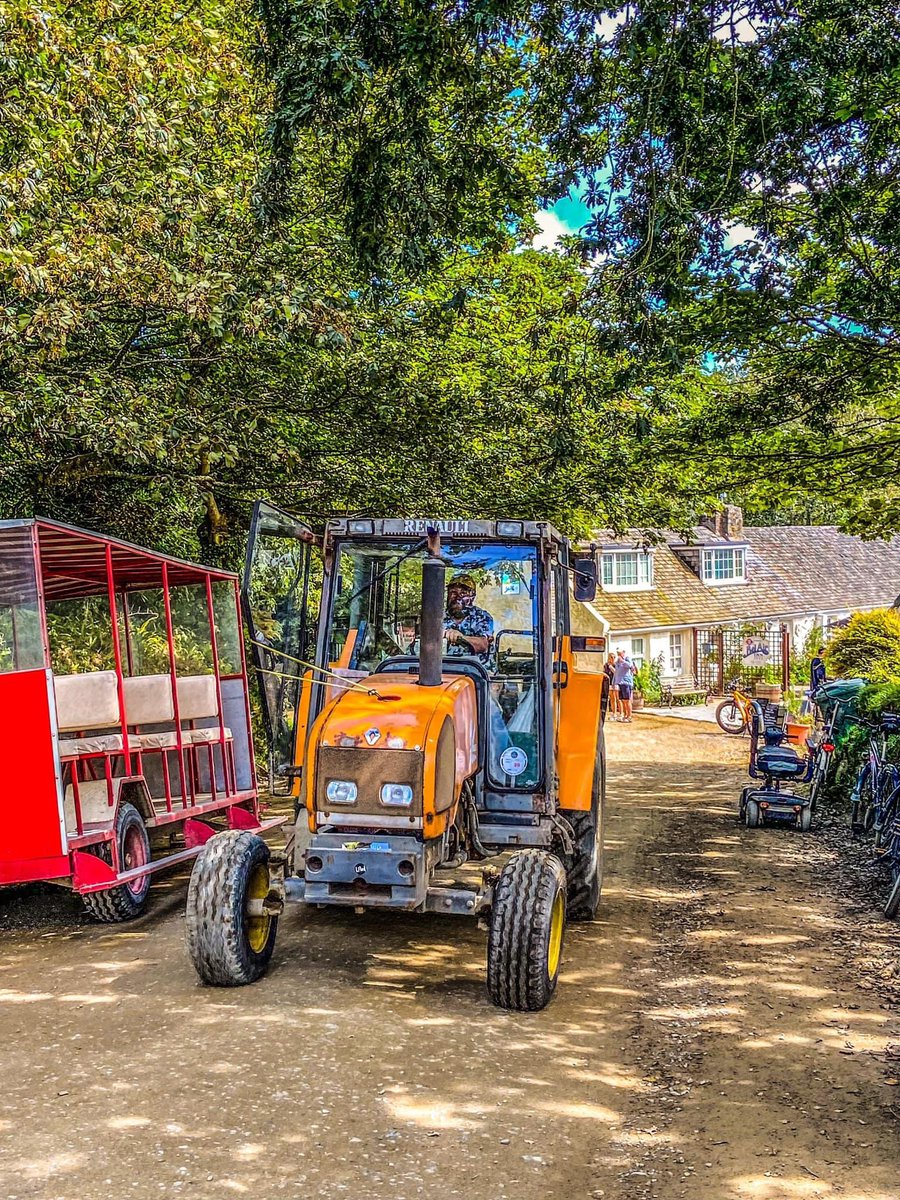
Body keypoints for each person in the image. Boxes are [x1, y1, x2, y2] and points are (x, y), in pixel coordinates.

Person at [443, 573, 494, 666]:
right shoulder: (437, 618)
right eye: (453, 592)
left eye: (463, 593)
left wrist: (460, 638)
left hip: (477, 672)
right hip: (445, 670)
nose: (458, 597)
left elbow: (483, 644)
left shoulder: (482, 617)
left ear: (472, 597)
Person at [613, 648, 636, 722]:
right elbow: (616, 673)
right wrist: (615, 682)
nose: (618, 655)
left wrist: (622, 661)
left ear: (623, 653)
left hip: (626, 682)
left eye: (620, 653)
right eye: (618, 653)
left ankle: (629, 716)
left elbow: (630, 666)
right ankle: (625, 715)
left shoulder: (627, 659)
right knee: (622, 700)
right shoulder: (617, 662)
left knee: (627, 700)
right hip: (619, 683)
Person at [603, 652, 619, 721]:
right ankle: (612, 713)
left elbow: (616, 672)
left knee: (615, 699)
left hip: (614, 683)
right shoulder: (605, 665)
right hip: (608, 683)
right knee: (611, 699)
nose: (612, 659)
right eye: (611, 657)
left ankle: (615, 713)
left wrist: (611, 667)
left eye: (614, 657)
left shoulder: (615, 665)